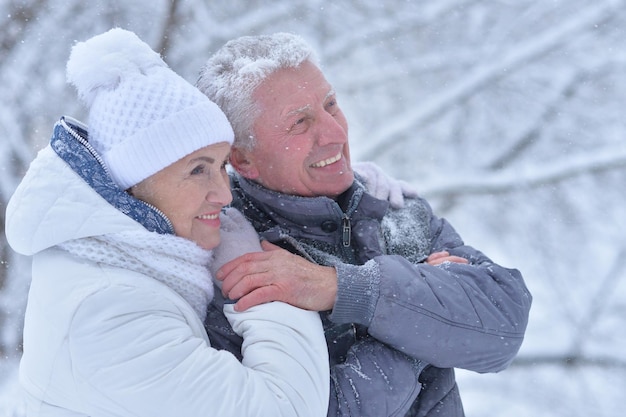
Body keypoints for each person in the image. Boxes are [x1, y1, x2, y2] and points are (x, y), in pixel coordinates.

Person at [196, 32, 533, 417]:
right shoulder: (229, 259)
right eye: (300, 123)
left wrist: (342, 288)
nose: (336, 133)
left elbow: (504, 326)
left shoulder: (394, 209)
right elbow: (320, 409)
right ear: (243, 160)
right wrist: (426, 321)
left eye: (331, 105)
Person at [5, 28, 329, 417]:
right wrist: (266, 283)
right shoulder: (109, 308)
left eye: (221, 166)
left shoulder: (122, 262)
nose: (224, 195)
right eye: (198, 170)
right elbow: (285, 408)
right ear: (136, 184)